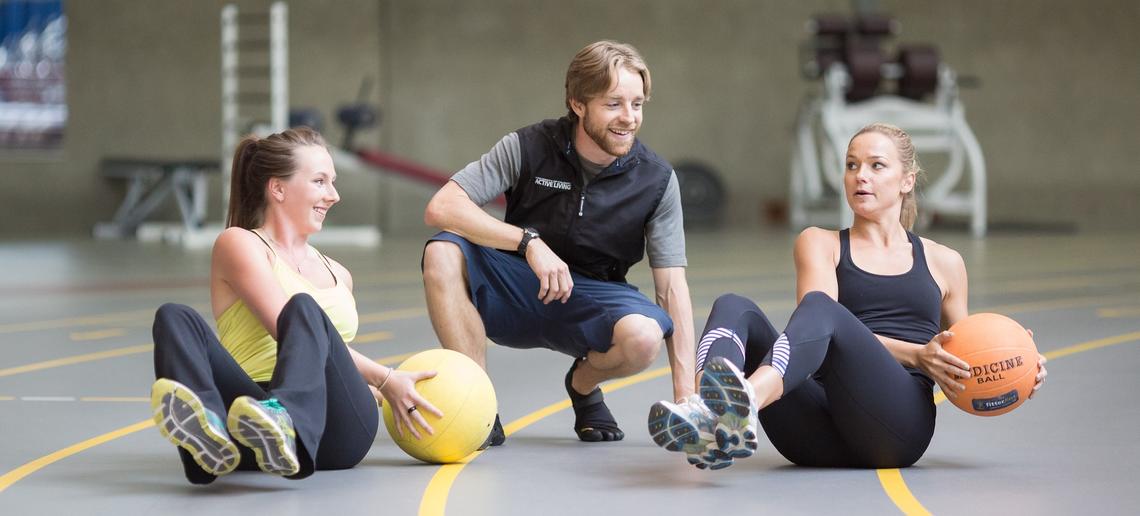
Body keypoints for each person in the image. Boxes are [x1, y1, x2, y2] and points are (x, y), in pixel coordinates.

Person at [648, 123, 1048, 470]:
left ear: (907, 179)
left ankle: (742, 404)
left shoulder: (945, 262)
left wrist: (1019, 367)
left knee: (825, 310)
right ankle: (707, 413)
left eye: (876, 166)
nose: (860, 176)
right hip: (813, 430)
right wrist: (917, 351)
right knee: (734, 305)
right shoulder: (819, 243)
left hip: (893, 429)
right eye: (852, 165)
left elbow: (962, 364)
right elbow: (816, 330)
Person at [421, 40, 696, 445]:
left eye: (637, 104)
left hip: (595, 297)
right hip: (517, 281)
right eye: (614, 104)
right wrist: (528, 242)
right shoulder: (528, 146)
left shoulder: (656, 179)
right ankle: (477, 407)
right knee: (442, 251)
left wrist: (686, 398)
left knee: (644, 337)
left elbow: (672, 288)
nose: (629, 118)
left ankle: (583, 386)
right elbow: (442, 206)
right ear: (578, 104)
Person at [149, 127, 441, 484]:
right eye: (320, 181)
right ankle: (210, 440)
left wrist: (380, 388)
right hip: (251, 414)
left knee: (304, 309)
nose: (333, 195)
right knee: (174, 317)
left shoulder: (339, 273)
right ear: (278, 188)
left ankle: (289, 420)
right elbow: (282, 324)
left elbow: (330, 354)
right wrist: (386, 378)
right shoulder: (240, 244)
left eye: (332, 182)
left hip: (334, 431)